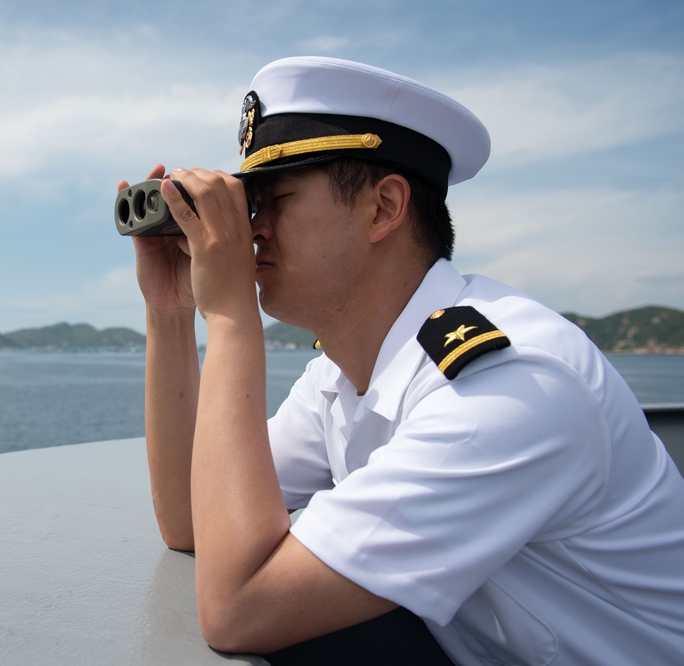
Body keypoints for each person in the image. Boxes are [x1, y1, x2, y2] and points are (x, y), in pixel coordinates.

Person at [121, 56, 684, 664]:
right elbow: (187, 518)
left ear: (384, 208)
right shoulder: (346, 371)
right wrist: (171, 312)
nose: (253, 232)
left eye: (274, 201)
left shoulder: (508, 389)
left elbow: (239, 610)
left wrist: (230, 316)